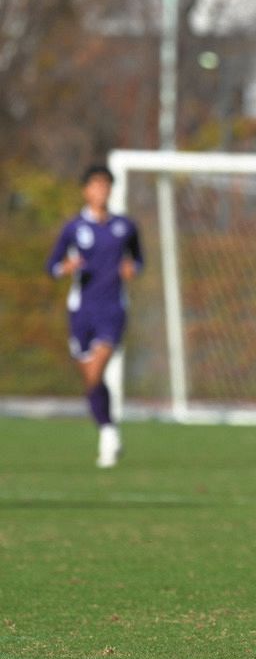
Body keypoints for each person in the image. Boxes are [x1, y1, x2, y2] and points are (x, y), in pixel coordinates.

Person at [45, 164, 143, 468]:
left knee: (98, 368)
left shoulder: (125, 227)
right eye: (95, 186)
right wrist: (66, 268)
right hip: (81, 310)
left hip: (113, 308)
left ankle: (107, 434)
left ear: (111, 190)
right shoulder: (73, 228)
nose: (101, 191)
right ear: (86, 191)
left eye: (106, 186)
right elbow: (52, 266)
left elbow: (138, 259)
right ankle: (108, 430)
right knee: (91, 379)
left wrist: (132, 269)